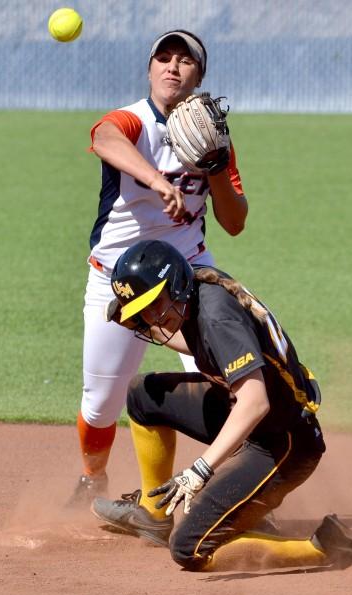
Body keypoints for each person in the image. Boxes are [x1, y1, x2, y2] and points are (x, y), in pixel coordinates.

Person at [90, 240, 352, 570]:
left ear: (174, 285)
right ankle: (153, 515)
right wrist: (145, 321)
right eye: (143, 309)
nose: (152, 315)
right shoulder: (195, 287)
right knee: (143, 394)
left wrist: (199, 470)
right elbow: (203, 347)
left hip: (282, 443)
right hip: (248, 416)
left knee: (187, 548)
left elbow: (255, 401)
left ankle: (328, 546)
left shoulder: (216, 317)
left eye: (155, 304)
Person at [70, 29, 249, 506]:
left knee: (227, 381)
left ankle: (232, 492)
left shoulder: (213, 138)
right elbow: (104, 138)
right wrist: (154, 178)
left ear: (199, 75)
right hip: (117, 279)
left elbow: (234, 223)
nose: (173, 66)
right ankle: (93, 479)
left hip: (188, 276)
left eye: (184, 60)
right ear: (150, 70)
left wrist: (213, 165)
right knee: (102, 400)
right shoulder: (131, 121)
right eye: (163, 58)